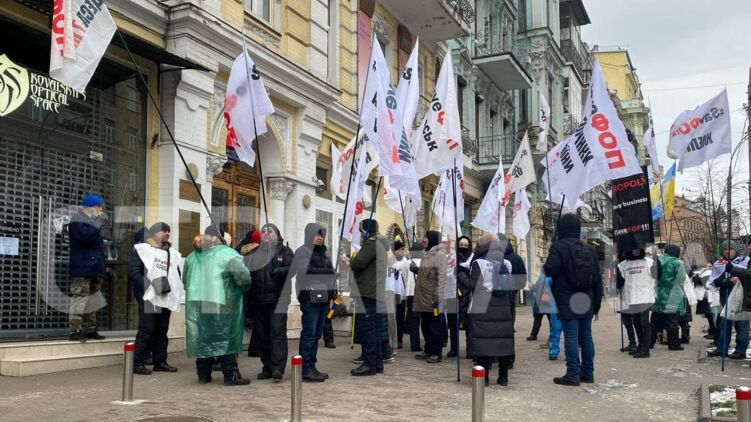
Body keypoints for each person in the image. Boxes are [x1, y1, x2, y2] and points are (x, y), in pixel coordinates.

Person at [184, 227, 252, 386]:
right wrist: (245, 287)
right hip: (223, 301)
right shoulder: (227, 253)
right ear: (220, 237)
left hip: (198, 302)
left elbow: (185, 280)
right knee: (226, 336)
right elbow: (243, 277)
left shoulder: (192, 256)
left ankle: (203, 374)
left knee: (203, 336)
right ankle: (231, 375)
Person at [543, 214, 603, 387]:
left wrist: (551, 254)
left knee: (570, 337)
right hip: (586, 299)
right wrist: (596, 304)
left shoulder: (558, 246)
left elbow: (550, 270)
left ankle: (572, 374)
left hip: (566, 298)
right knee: (586, 337)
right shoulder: (589, 249)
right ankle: (588, 373)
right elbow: (597, 279)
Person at [128, 222, 183, 374]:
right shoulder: (143, 249)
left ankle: (160, 362)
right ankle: (137, 362)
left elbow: (175, 274)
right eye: (164, 231)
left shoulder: (171, 253)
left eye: (168, 231)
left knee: (162, 331)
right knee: (147, 330)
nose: (167, 233)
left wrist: (173, 289)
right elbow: (133, 271)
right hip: (149, 297)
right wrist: (150, 286)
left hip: (165, 296)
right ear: (154, 233)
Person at [244, 223, 294, 381]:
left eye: (270, 231)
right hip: (260, 300)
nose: (266, 234)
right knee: (263, 335)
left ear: (277, 234)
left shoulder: (284, 251)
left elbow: (292, 268)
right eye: (263, 231)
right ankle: (267, 366)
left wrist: (279, 271)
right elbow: (247, 272)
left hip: (279, 300)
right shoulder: (255, 252)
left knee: (277, 333)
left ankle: (278, 367)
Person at [289, 223, 337, 382]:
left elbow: (330, 274)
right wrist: (328, 273)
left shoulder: (323, 253)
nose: (319, 238)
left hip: (323, 298)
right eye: (316, 234)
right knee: (309, 334)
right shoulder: (303, 251)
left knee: (317, 334)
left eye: (321, 235)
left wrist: (333, 290)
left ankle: (311, 365)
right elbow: (306, 271)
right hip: (310, 298)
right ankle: (305, 368)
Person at [466, 234, 515, 386]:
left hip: (482, 305)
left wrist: (460, 274)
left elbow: (472, 285)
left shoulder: (479, 263)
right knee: (503, 341)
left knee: (483, 343)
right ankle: (503, 377)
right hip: (503, 306)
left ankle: (484, 377)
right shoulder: (507, 263)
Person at [346, 218, 389, 376]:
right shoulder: (381, 244)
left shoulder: (371, 244)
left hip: (367, 291)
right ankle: (377, 363)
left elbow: (359, 263)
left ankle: (369, 363)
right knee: (375, 328)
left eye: (361, 230)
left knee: (368, 328)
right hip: (375, 292)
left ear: (366, 231)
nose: (360, 234)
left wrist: (351, 260)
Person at [68, 193, 108, 341]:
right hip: (82, 268)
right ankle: (75, 330)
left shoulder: (93, 221)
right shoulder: (76, 220)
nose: (101, 210)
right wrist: (98, 221)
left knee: (93, 301)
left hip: (95, 268)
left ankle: (90, 329)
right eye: (98, 207)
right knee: (80, 299)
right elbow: (86, 237)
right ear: (90, 207)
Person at [708, 241, 751, 358]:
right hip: (725, 295)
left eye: (730, 249)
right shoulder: (718, 263)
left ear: (735, 250)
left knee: (741, 324)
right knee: (724, 324)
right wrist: (724, 281)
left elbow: (748, 275)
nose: (728, 251)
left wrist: (737, 277)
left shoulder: (745, 261)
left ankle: (741, 350)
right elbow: (713, 281)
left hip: (741, 296)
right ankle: (722, 348)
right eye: (725, 249)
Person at [616, 247, 658, 359]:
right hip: (632, 297)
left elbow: (658, 275)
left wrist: (656, 260)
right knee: (636, 322)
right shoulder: (623, 265)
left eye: (639, 248)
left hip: (645, 296)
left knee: (644, 322)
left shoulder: (649, 262)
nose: (637, 250)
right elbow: (618, 282)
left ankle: (646, 349)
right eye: (634, 248)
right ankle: (641, 346)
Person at [414, 231, 447, 364]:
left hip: (432, 297)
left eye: (426, 237)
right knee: (426, 325)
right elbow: (428, 273)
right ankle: (428, 349)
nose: (424, 240)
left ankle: (436, 352)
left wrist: (438, 296)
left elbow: (441, 277)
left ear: (433, 239)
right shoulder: (426, 254)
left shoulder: (439, 255)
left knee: (435, 326)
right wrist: (417, 270)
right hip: (423, 297)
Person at [649, 244, 687, 351]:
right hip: (673, 295)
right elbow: (681, 279)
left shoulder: (657, 261)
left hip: (658, 294)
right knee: (672, 322)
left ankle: (649, 343)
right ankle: (673, 345)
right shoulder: (677, 263)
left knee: (654, 321)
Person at [499, 234, 525, 368]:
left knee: (501, 329)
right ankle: (507, 359)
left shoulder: (514, 259)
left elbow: (522, 279)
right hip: (508, 299)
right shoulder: (516, 258)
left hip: (504, 299)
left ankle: (505, 358)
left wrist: (512, 291)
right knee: (507, 329)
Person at [455, 236, 473, 357]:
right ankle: (454, 348)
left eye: (466, 245)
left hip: (468, 295)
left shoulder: (473, 258)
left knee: (469, 323)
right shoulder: (453, 257)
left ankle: (470, 350)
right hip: (454, 294)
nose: (463, 247)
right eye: (461, 245)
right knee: (454, 323)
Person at [393, 239, 412, 349]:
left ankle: (399, 339)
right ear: (395, 250)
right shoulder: (392, 261)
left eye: (403, 249)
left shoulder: (405, 262)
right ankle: (393, 338)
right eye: (401, 249)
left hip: (401, 293)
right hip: (392, 293)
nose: (403, 251)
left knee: (400, 317)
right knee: (393, 316)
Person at [406, 243, 424, 352]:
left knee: (413, 320)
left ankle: (414, 344)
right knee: (425, 319)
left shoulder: (408, 262)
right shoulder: (424, 263)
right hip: (421, 294)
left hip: (410, 294)